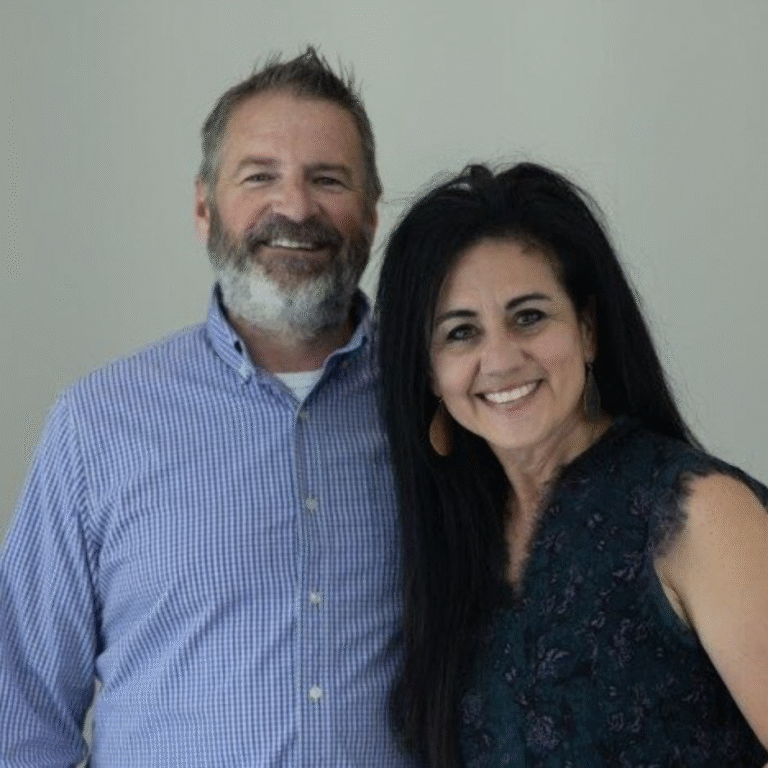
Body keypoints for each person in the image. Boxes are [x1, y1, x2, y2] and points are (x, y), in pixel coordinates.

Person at [0, 48, 417, 767]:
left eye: (328, 179)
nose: (295, 207)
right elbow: (20, 711)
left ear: (373, 215)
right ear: (204, 208)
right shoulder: (98, 425)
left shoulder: (436, 407)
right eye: (259, 177)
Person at [376, 162, 768, 767]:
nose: (500, 359)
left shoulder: (698, 514)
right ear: (429, 372)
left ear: (587, 329)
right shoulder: (451, 539)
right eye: (460, 332)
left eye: (529, 316)